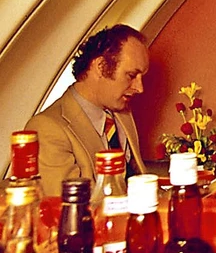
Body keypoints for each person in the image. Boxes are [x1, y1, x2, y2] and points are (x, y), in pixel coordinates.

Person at [26, 24, 149, 188]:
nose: (140, 88)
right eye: (131, 75)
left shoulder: (122, 113)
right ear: (101, 67)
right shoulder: (48, 129)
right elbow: (69, 208)